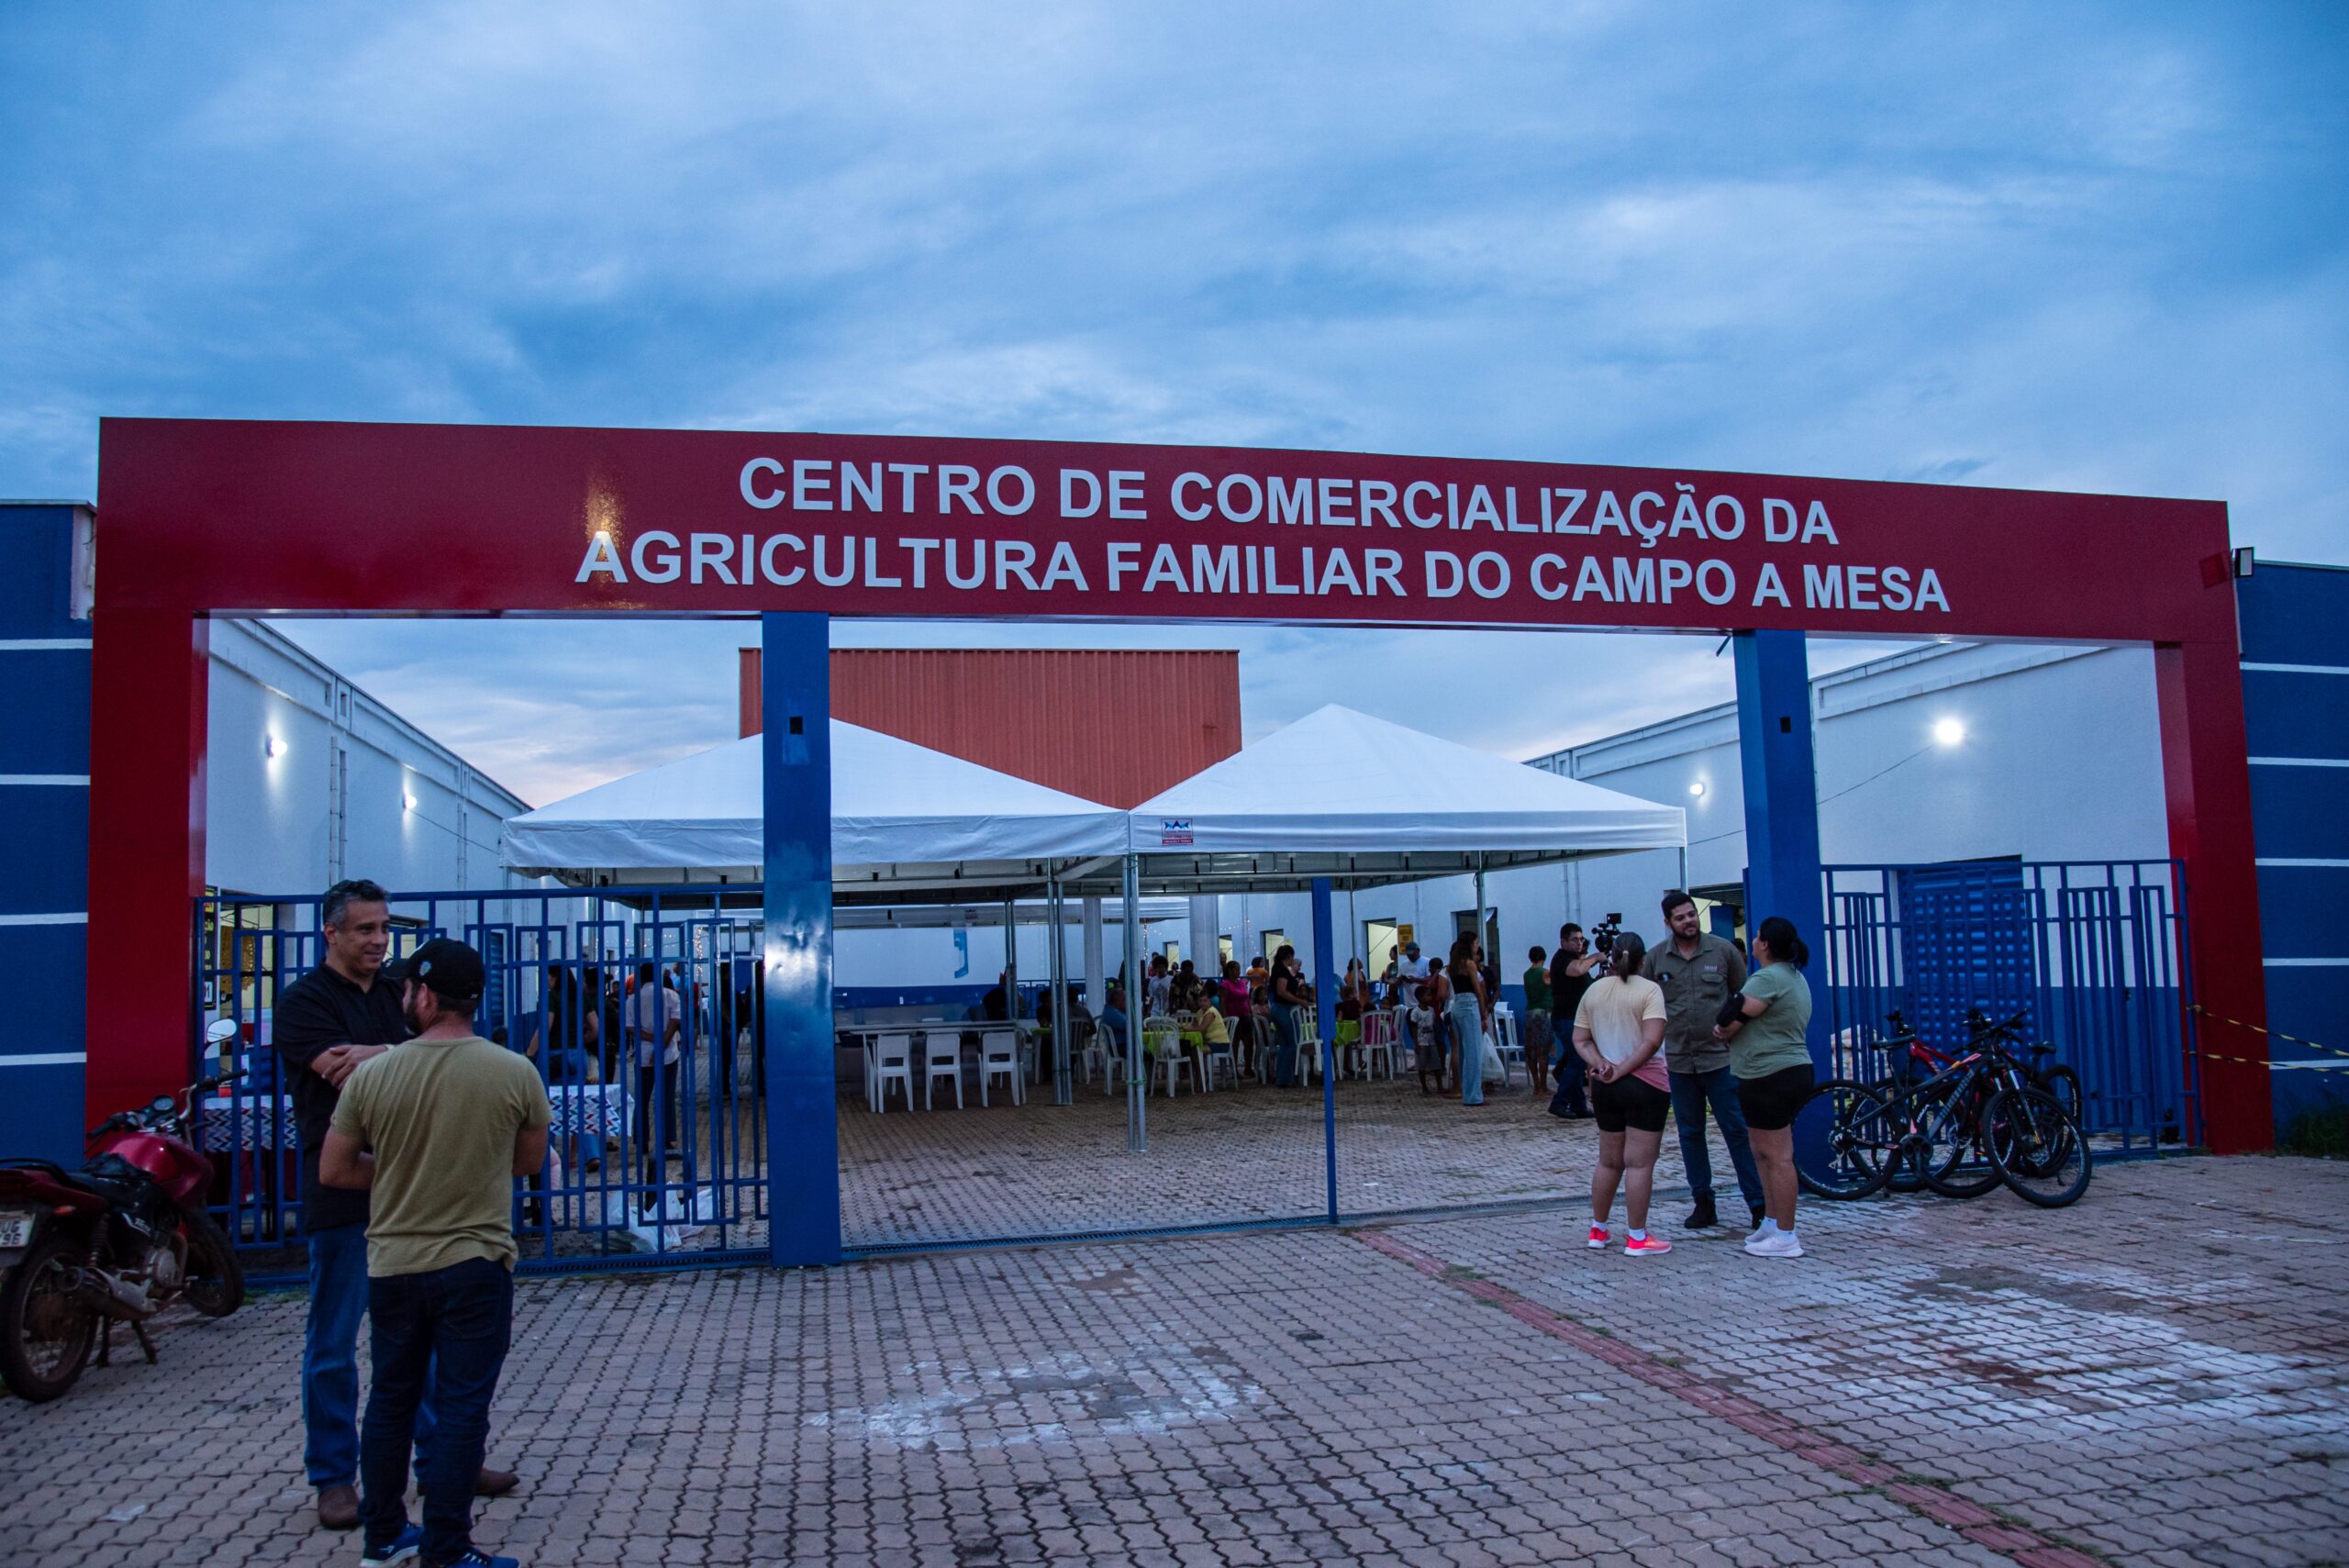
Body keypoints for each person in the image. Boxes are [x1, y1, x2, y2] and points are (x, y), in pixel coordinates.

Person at [273, 878, 518, 1533]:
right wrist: (401, 1054)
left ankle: (441, 1462)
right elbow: (355, 1069)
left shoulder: (394, 994)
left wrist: (382, 1052)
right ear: (330, 932)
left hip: (414, 1192)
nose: (379, 940)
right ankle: (332, 1476)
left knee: (425, 1341)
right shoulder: (302, 1004)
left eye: (383, 927)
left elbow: (439, 1052)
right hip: (344, 1191)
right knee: (332, 1343)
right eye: (363, 929)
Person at [319, 937, 550, 1568]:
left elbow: (335, 1169)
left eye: (407, 988)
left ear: (423, 994)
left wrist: (400, 1170)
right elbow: (528, 1163)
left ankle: (383, 1536)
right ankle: (447, 1547)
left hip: (393, 1265)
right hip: (475, 1263)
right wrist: (459, 1167)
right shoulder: (513, 1071)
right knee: (461, 1405)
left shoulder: (376, 1073)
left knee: (390, 1398)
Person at [1652, 891, 1765, 1232]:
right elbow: (1648, 1004)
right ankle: (1703, 1202)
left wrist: (1733, 1035)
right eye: (1681, 917)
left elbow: (1742, 998)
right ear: (1668, 922)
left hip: (1720, 1061)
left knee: (1737, 1131)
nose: (1689, 921)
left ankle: (1758, 1204)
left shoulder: (1724, 951)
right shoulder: (1656, 959)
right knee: (1690, 1134)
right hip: (1680, 1063)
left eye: (1691, 915)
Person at [1715, 916, 1817, 1259]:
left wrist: (1725, 1025)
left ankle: (1787, 1235)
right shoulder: (1791, 977)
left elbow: (1731, 1017)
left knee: (1777, 1156)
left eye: (1757, 936)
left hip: (1773, 1074)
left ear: (1765, 945)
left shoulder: (1769, 978)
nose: (1754, 941)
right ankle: (1771, 1222)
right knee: (1761, 1152)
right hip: (1765, 1074)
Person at [1570, 931, 1673, 1256]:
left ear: (1611, 958)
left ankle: (1598, 1230)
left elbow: (1580, 1039)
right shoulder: (1650, 991)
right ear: (1643, 960)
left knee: (1609, 1161)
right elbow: (1651, 1042)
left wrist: (1602, 1065)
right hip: (1646, 1084)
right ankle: (1638, 1237)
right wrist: (1624, 1068)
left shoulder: (1595, 990)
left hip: (1605, 1085)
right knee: (1639, 1164)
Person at [629, 961, 683, 1211]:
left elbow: (632, 1029)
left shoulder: (633, 999)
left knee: (641, 1098)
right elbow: (675, 1022)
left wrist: (653, 1041)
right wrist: (663, 1042)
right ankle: (669, 1139)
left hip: (643, 1055)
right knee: (667, 1097)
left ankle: (641, 1140)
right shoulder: (670, 994)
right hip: (669, 1053)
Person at [1547, 925, 1598, 1119]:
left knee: (1576, 1059)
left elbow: (1585, 982)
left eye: (1581, 939)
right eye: (1575, 939)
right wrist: (1595, 958)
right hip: (1566, 1017)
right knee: (1578, 1059)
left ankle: (1578, 1105)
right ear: (1563, 941)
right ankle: (1559, 1102)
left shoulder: (1578, 960)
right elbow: (1576, 971)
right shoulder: (1562, 960)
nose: (1580, 943)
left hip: (1576, 1018)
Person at [1448, 934, 1494, 1106]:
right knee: (1473, 1053)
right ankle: (1473, 1095)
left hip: (1457, 1005)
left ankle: (1466, 1091)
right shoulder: (1470, 964)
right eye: (1476, 943)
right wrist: (1484, 1014)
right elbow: (1478, 990)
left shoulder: (1453, 965)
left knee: (1463, 1052)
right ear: (1470, 945)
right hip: (1470, 1006)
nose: (1478, 946)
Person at [1269, 944, 1308, 1085]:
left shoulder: (1276, 969)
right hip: (1284, 1010)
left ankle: (1282, 1077)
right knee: (1293, 1043)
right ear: (1289, 956)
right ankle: (1285, 1077)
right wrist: (1299, 1001)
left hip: (1278, 1009)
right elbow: (1282, 991)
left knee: (1285, 1044)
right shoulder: (1283, 972)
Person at [1413, 958, 1449, 1094]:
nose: (1429, 970)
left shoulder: (1439, 977)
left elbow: (1430, 985)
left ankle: (1441, 1068)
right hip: (1423, 1039)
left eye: (1431, 968)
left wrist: (1436, 973)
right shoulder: (1417, 1012)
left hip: (1437, 1014)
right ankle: (1426, 1085)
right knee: (1423, 1062)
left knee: (1439, 1040)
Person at [1522, 945, 1553, 1095]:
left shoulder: (1526, 974)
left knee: (1531, 1050)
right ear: (1544, 957)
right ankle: (1543, 1085)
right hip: (1544, 1013)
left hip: (1530, 1012)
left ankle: (1536, 1085)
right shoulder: (1546, 973)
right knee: (1543, 1051)